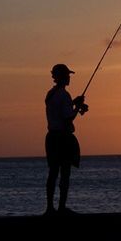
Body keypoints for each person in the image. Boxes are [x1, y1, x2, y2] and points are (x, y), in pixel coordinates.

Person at [44, 64, 88, 216]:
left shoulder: (51, 94)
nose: (69, 78)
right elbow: (68, 117)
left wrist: (74, 103)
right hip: (62, 137)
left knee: (53, 173)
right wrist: (78, 107)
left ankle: (50, 208)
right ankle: (61, 208)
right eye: (67, 75)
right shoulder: (64, 95)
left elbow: (60, 109)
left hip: (51, 138)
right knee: (65, 173)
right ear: (62, 77)